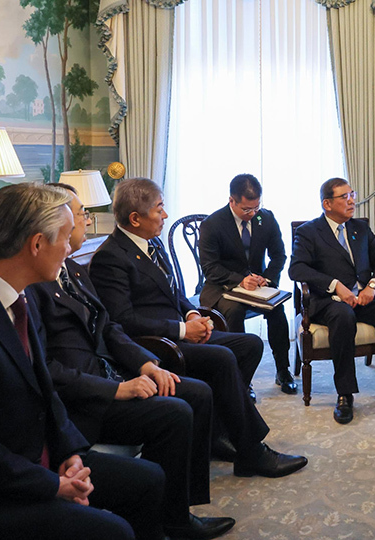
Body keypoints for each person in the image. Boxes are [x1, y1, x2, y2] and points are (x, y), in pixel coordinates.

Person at [0, 183, 165, 540]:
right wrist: (52, 485)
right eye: (65, 238)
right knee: (115, 532)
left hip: (41, 457)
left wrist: (70, 452)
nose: (70, 249)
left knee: (149, 480)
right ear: (36, 244)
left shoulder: (18, 299)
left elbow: (45, 390)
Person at [28, 184, 235, 540]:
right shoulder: (35, 287)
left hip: (112, 372)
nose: (86, 221)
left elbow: (109, 328)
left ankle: (180, 510)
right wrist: (117, 388)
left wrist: (146, 364)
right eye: (81, 215)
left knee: (195, 392)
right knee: (178, 409)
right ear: (47, 232)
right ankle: (171, 519)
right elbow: (47, 368)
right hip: (86, 399)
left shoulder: (73, 271)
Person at [89, 178, 306, 478]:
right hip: (154, 345)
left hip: (177, 330)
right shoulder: (111, 258)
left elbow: (174, 291)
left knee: (250, 345)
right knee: (223, 357)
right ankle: (251, 452)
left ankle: (217, 433)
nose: (165, 215)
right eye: (159, 208)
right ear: (135, 218)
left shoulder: (150, 243)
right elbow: (122, 320)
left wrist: (191, 314)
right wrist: (181, 330)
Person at [288, 177, 375, 424]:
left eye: (352, 194)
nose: (351, 201)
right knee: (343, 316)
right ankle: (345, 394)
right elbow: (297, 270)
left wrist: (373, 285)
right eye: (344, 197)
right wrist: (335, 285)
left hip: (364, 296)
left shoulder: (360, 228)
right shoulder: (308, 232)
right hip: (329, 301)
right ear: (327, 203)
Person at [199, 173, 296, 395]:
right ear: (232, 200)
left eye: (256, 208)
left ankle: (283, 370)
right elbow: (210, 268)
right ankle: (241, 379)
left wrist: (267, 278)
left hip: (257, 287)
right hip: (222, 286)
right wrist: (239, 280)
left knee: (277, 310)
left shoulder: (266, 218)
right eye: (246, 210)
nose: (252, 214)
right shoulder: (212, 224)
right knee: (234, 311)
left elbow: (279, 256)